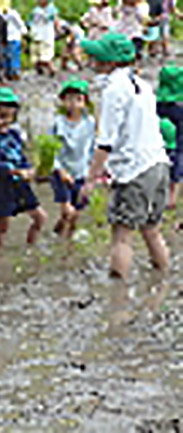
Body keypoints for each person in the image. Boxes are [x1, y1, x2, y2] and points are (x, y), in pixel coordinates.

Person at [81, 32, 170, 280]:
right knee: (152, 230)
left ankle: (117, 299)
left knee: (122, 234)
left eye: (96, 56)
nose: (91, 59)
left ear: (109, 62)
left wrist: (90, 179)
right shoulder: (142, 84)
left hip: (135, 170)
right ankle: (163, 282)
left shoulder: (114, 90)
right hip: (159, 163)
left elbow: (106, 141)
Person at [0, 87, 48, 247]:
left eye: (10, 117)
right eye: (2, 116)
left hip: (21, 184)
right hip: (1, 186)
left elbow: (22, 156)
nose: (6, 121)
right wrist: (16, 171)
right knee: (3, 226)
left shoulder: (14, 134)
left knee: (40, 217)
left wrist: (30, 169)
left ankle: (30, 247)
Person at [49, 80, 96, 238]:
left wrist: (93, 171)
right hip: (61, 170)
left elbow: (91, 148)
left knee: (75, 213)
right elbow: (51, 149)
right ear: (63, 101)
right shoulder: (58, 122)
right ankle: (60, 234)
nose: (73, 104)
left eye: (78, 99)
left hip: (81, 172)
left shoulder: (89, 123)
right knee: (67, 209)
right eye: (69, 99)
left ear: (85, 102)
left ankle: (66, 236)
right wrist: (59, 169)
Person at [156, 65, 183, 209]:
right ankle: (172, 197)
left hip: (160, 142)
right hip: (178, 141)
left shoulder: (158, 103)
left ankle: (160, 193)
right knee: (179, 158)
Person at [29, 0, 59, 76]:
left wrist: (58, 30)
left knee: (46, 55)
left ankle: (51, 68)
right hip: (36, 34)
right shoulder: (35, 10)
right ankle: (39, 69)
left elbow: (56, 21)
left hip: (46, 35)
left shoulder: (51, 9)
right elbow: (31, 21)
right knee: (35, 54)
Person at [3, 5, 27, 81]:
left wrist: (23, 32)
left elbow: (19, 23)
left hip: (14, 37)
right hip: (5, 38)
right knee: (6, 56)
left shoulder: (13, 13)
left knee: (14, 55)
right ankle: (8, 72)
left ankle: (15, 72)